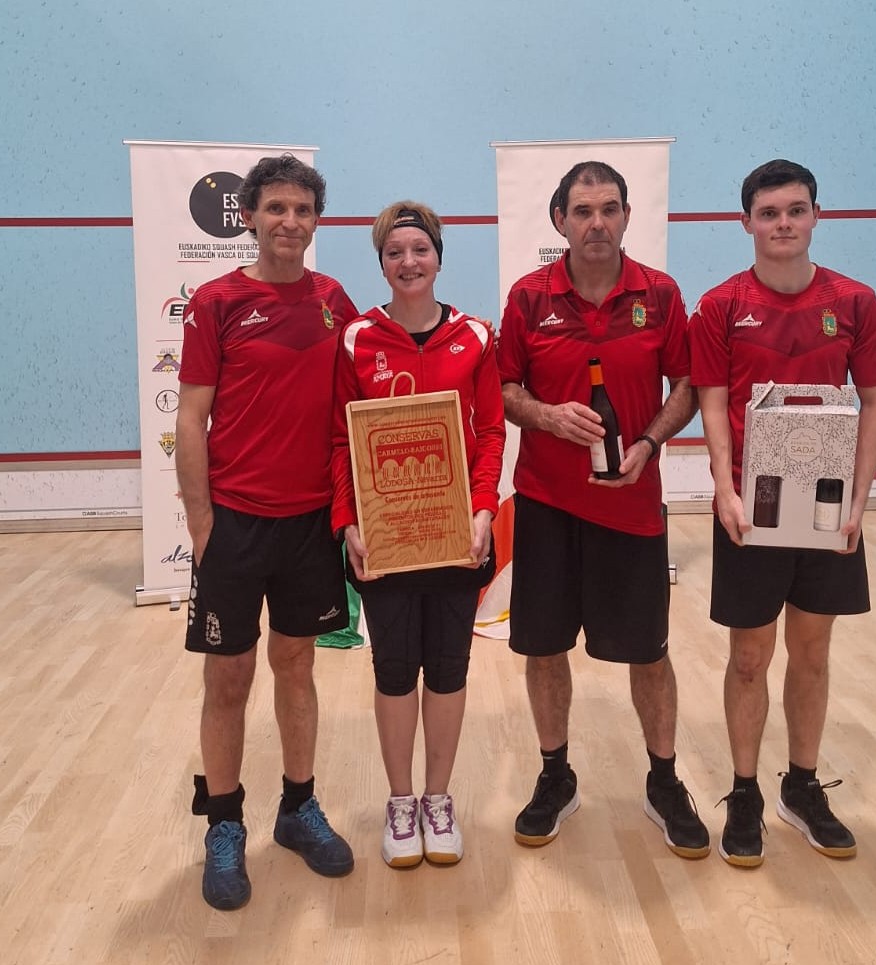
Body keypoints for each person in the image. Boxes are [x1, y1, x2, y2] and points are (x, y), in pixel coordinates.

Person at [496, 161, 710, 859]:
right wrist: (547, 416)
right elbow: (504, 388)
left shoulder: (660, 293)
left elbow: (687, 383)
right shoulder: (528, 297)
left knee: (649, 652)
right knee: (544, 647)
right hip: (547, 504)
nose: (597, 222)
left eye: (609, 208)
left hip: (632, 506)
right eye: (583, 210)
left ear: (625, 216)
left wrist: (649, 441)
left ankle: (664, 781)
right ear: (559, 220)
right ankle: (555, 775)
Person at [688, 158, 876, 867]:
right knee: (749, 657)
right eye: (769, 213)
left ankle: (801, 785)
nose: (783, 223)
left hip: (829, 505)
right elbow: (713, 400)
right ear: (746, 222)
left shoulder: (856, 301)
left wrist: (859, 495)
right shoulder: (719, 306)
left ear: (815, 216)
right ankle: (745, 791)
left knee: (812, 652)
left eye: (795, 210)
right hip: (753, 506)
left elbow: (875, 399)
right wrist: (724, 486)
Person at [176, 154, 358, 910]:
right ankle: (224, 823)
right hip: (236, 523)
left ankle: (297, 807)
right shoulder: (215, 302)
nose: (290, 221)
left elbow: (359, 408)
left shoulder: (334, 300)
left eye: (303, 210)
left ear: (317, 222)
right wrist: (202, 524)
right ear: (248, 216)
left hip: (309, 522)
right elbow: (191, 416)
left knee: (297, 664)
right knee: (229, 677)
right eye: (276, 208)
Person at [331, 202, 505, 868]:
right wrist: (348, 521)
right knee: (395, 668)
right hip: (386, 541)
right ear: (381, 263)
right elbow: (339, 441)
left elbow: (491, 431)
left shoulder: (476, 336)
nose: (409, 262)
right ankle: (401, 802)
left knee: (450, 667)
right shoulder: (356, 339)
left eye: (420, 250)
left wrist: (484, 508)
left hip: (458, 536)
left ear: (438, 257)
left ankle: (438, 798)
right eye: (394, 252)